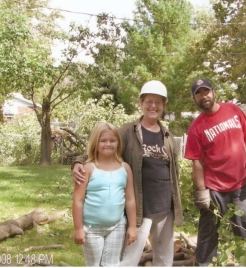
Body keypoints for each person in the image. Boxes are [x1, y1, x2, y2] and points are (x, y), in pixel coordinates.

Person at [73, 80, 183, 266]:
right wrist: (77, 162)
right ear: (141, 103)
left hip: (165, 208)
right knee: (128, 259)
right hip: (140, 208)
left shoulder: (167, 136)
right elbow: (102, 144)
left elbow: (173, 172)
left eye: (158, 102)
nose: (153, 106)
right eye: (149, 101)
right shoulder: (127, 131)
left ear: (164, 106)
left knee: (164, 258)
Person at [184, 78, 246, 266]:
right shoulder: (196, 128)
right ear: (194, 99)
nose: (204, 96)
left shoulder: (233, 110)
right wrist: (201, 190)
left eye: (206, 91)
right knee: (208, 233)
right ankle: (204, 264)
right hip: (214, 190)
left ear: (214, 92)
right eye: (199, 93)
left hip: (240, 186)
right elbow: (196, 163)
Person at [72, 122, 137, 266]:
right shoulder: (87, 168)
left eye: (112, 140)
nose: (108, 144)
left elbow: (130, 199)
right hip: (91, 229)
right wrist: (78, 228)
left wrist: (132, 226)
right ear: (95, 143)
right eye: (103, 140)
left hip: (117, 226)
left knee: (112, 264)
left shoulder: (125, 168)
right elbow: (78, 200)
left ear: (118, 143)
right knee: (94, 264)